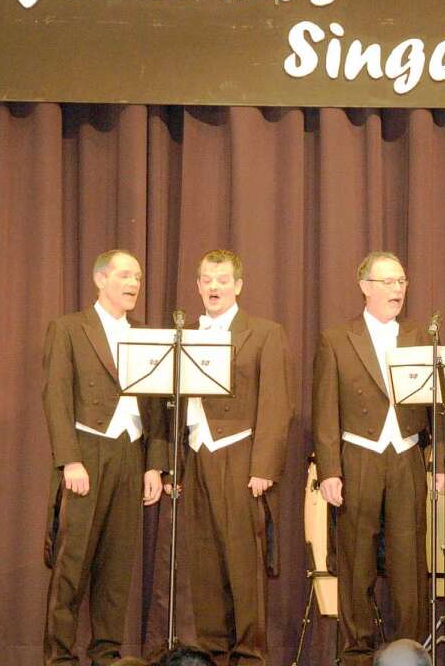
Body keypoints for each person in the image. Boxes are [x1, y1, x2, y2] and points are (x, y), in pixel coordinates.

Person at [42, 249, 166, 665]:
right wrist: (69, 460)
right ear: (101, 279)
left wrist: (154, 464)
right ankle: (59, 657)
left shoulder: (147, 334)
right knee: (73, 563)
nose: (134, 284)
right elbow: (56, 397)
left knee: (116, 566)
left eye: (138, 277)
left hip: (130, 452)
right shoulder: (69, 328)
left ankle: (107, 655)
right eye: (125, 275)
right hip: (88, 453)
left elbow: (157, 407)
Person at [312, 251, 431, 666]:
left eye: (401, 281)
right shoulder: (336, 338)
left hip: (406, 454)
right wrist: (329, 469)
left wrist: (440, 461)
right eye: (388, 282)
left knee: (410, 562)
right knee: (356, 560)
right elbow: (325, 411)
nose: (397, 289)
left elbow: (435, 406)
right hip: (358, 455)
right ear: (365, 286)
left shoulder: (420, 336)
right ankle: (357, 652)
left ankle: (410, 652)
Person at [179, 249, 293, 665]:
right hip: (197, 454)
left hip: (241, 455)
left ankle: (249, 655)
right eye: (207, 279)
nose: (214, 287)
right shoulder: (184, 334)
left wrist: (263, 467)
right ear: (197, 286)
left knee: (244, 565)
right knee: (205, 562)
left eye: (222, 280)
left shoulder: (263, 333)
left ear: (238, 286)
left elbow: (277, 405)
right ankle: (212, 651)